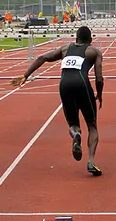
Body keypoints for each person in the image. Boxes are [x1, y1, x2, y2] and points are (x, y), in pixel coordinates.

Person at [12, 25, 105, 175]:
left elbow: (42, 57)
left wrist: (25, 75)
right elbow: (99, 77)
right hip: (82, 84)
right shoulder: (93, 51)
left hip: (64, 85)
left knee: (73, 124)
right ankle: (91, 162)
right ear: (91, 40)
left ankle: (76, 134)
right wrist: (99, 94)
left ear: (76, 38)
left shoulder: (65, 49)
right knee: (92, 125)